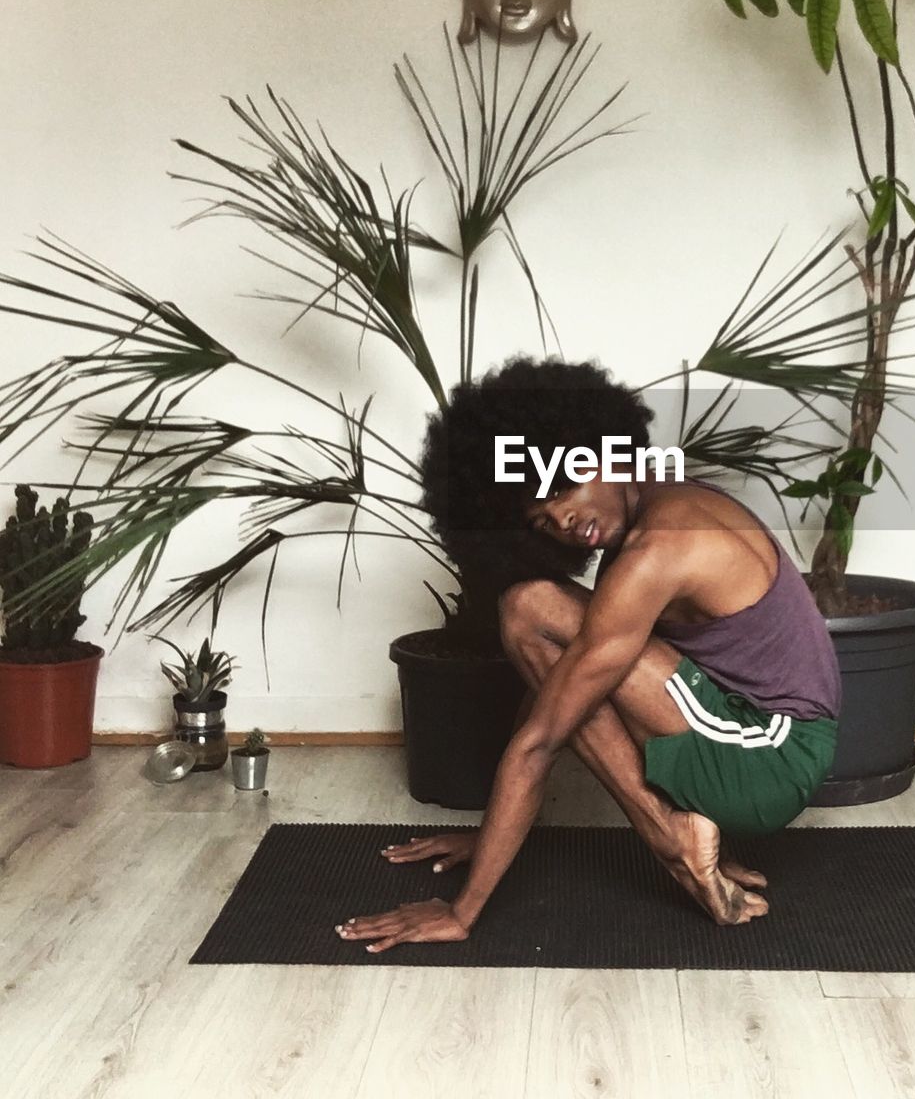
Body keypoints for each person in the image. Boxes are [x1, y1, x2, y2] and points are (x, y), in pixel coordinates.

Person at [336, 357, 840, 951]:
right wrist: (495, 833)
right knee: (541, 627)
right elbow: (555, 687)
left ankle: (674, 840)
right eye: (541, 520)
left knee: (529, 607)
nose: (565, 521)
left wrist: (462, 908)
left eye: (563, 489)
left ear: (602, 447)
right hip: (753, 738)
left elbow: (543, 738)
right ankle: (676, 829)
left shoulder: (661, 545)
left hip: (769, 759)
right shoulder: (653, 508)